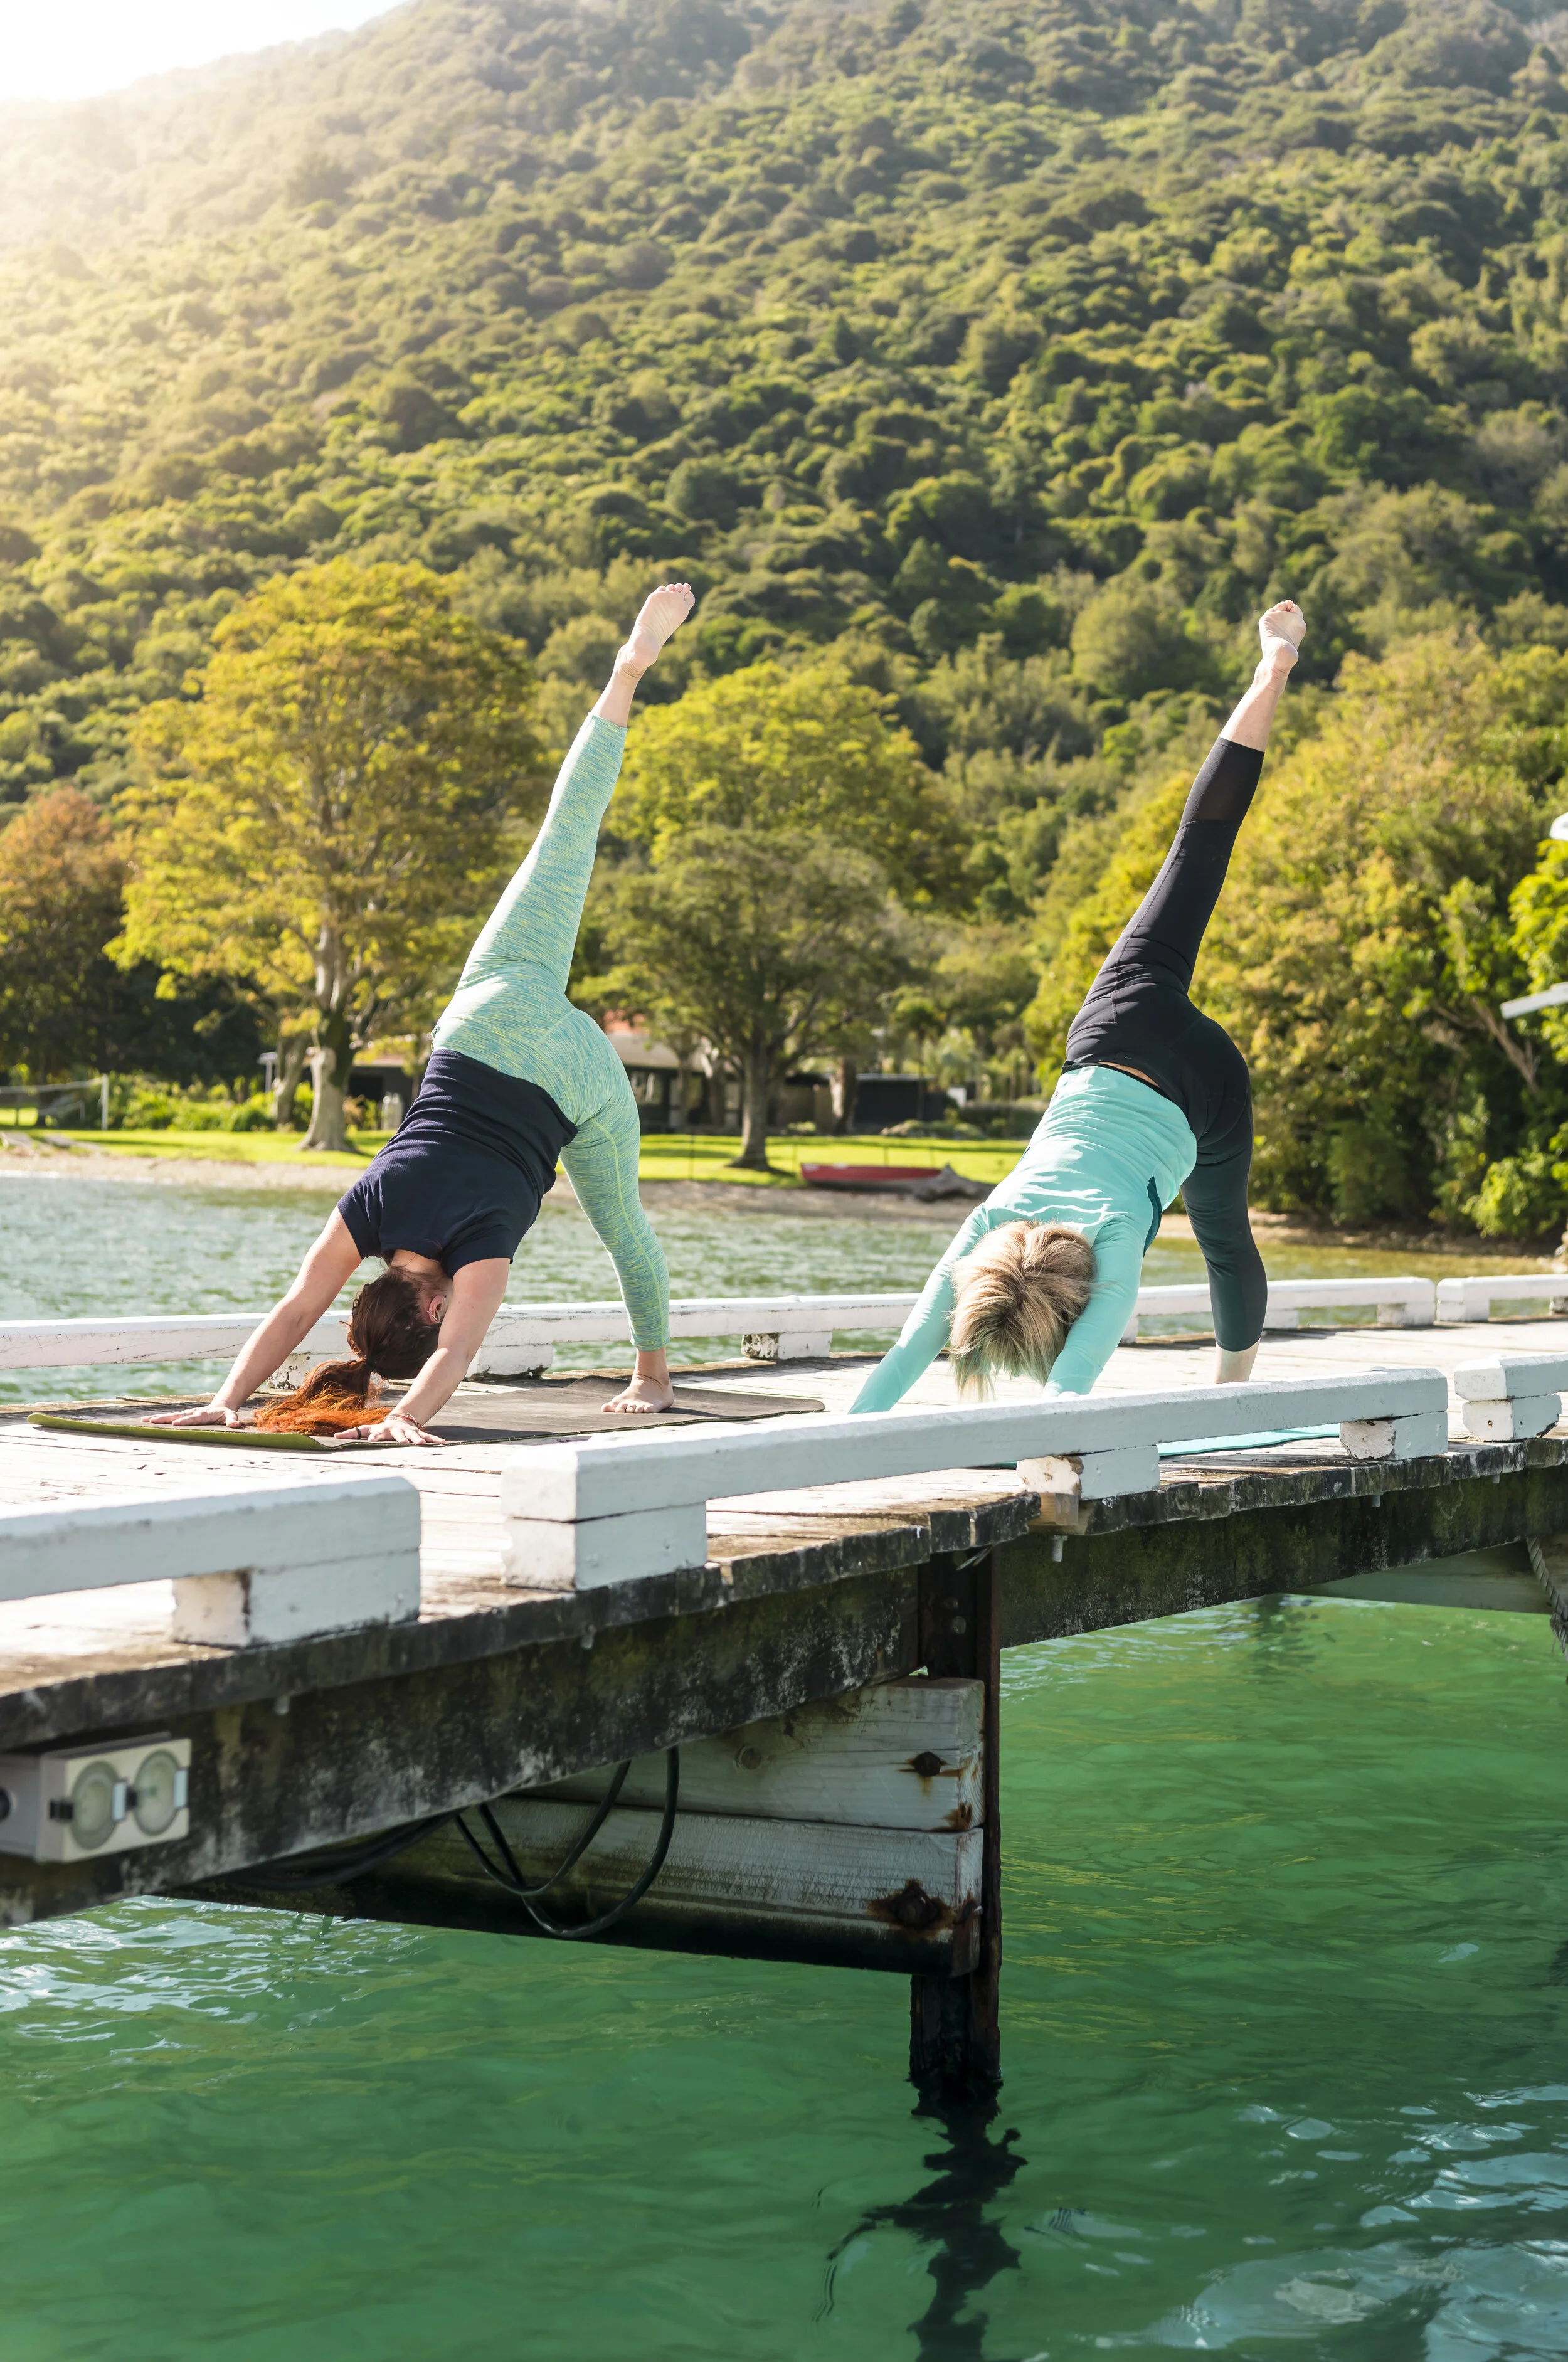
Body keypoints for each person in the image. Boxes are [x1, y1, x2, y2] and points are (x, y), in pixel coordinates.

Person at [149, 583, 695, 1446]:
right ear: (385, 1286)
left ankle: (653, 1375)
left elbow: (460, 1354)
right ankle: (627, 671)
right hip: (482, 1018)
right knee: (565, 833)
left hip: (572, 1072)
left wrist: (404, 1417)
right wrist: (227, 1396)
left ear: (432, 1301)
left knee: (623, 1224)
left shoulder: (479, 1247)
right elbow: (299, 1307)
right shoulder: (373, 1203)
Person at [851, 600, 1306, 1417]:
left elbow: (1069, 1389)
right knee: (1198, 843)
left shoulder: (1117, 1244)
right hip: (1114, 1029)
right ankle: (1270, 672)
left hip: (1204, 1087)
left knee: (1226, 1240)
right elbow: (906, 1354)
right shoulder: (988, 1223)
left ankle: (1231, 1397)